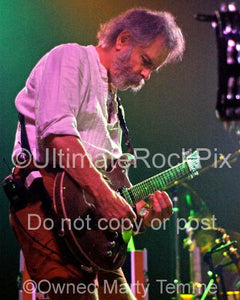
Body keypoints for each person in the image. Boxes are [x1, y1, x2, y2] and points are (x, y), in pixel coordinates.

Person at [9, 7, 185, 300]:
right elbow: (58, 135)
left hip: (93, 235)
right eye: (146, 61)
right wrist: (106, 198)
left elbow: (113, 187)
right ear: (123, 40)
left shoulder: (115, 105)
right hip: (48, 210)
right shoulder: (70, 58)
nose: (146, 75)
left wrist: (141, 215)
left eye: (152, 69)